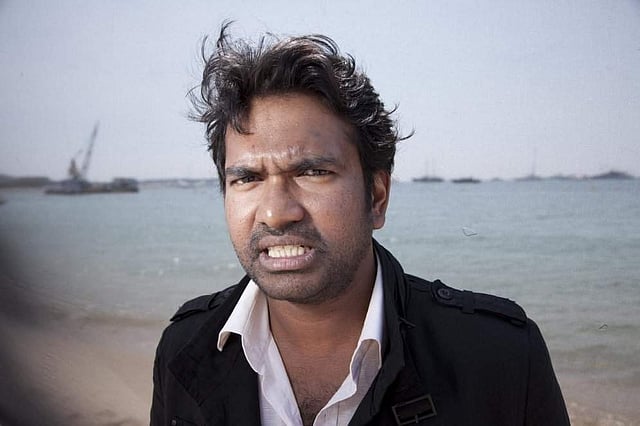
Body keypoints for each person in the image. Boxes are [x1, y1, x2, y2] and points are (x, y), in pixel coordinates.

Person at [151, 23, 570, 426]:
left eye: (313, 172)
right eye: (247, 178)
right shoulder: (184, 347)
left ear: (377, 197)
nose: (276, 213)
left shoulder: (501, 358)